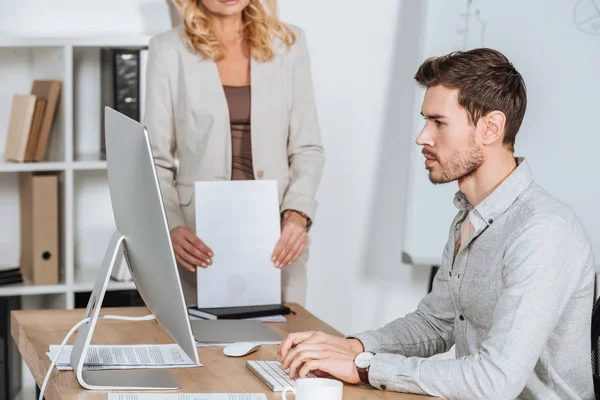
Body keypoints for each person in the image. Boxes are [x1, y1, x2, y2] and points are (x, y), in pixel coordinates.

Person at [277, 48, 595, 399]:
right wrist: (352, 347)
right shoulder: (468, 218)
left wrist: (366, 367)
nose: (423, 137)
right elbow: (435, 323)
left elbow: (494, 381)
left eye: (439, 123)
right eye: (425, 121)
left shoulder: (542, 231)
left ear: (490, 127)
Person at [144, 0, 324, 306]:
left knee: (280, 345)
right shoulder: (168, 49)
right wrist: (171, 225)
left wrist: (297, 215)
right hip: (197, 235)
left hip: (276, 233)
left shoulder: (289, 43)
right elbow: (154, 159)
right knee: (201, 346)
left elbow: (308, 148)